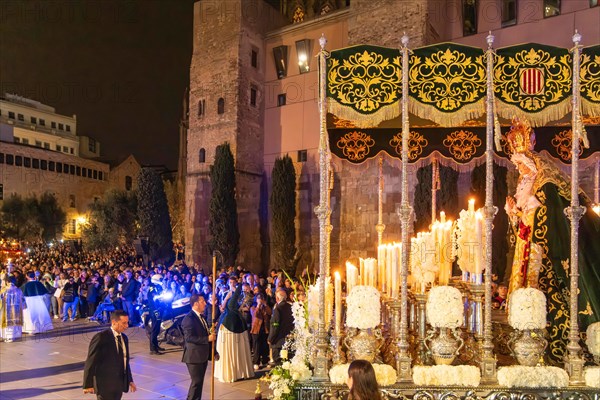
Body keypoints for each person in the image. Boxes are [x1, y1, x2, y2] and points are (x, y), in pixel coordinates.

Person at [504, 117, 600, 364]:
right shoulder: (526, 185)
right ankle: (523, 338)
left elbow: (550, 218)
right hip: (527, 247)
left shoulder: (546, 184)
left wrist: (530, 211)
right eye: (518, 167)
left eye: (522, 167)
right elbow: (523, 226)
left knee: (544, 290)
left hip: (543, 250)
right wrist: (514, 214)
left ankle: (550, 343)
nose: (520, 171)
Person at [83, 310, 137, 400]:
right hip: (104, 384)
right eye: (123, 323)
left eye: (127, 323)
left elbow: (125, 361)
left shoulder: (124, 338)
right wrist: (87, 384)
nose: (126, 326)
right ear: (114, 322)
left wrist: (129, 380)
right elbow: (90, 361)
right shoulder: (101, 337)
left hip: (119, 384)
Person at [214, 284, 254, 382]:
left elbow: (232, 306)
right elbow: (224, 308)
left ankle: (236, 372)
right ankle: (234, 372)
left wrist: (234, 291)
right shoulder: (231, 297)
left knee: (235, 348)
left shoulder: (241, 297)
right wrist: (227, 297)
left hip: (233, 326)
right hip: (229, 325)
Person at [181, 294, 216, 400]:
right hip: (194, 356)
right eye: (202, 301)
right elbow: (190, 338)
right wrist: (207, 339)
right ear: (196, 304)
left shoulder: (201, 317)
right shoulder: (189, 319)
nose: (205, 303)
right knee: (196, 383)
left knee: (199, 382)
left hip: (202, 355)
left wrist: (214, 352)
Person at [267, 289, 294, 365]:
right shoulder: (291, 307)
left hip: (278, 341)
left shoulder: (278, 309)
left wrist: (270, 338)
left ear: (277, 298)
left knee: (279, 364)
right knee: (287, 364)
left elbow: (275, 325)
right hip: (289, 340)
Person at [0, 276, 26, 342]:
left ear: (7, 281)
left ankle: (8, 337)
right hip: (16, 309)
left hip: (6, 310)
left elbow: (0, 299)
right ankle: (14, 336)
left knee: (7, 323)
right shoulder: (18, 290)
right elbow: (23, 299)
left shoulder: (4, 290)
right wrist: (23, 307)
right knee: (14, 322)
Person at [250, 293, 271, 370]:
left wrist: (265, 305)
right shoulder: (253, 307)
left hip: (264, 329)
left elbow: (270, 312)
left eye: (261, 298)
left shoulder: (265, 307)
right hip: (256, 329)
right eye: (259, 298)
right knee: (256, 347)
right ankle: (256, 362)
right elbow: (255, 315)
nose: (260, 300)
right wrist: (258, 306)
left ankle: (265, 361)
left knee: (265, 346)